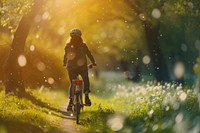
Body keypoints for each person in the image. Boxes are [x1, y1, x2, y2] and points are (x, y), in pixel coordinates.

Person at [63, 28, 96, 111]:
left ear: (70, 37)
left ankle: (70, 103)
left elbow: (65, 56)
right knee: (85, 80)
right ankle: (86, 97)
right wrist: (93, 62)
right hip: (82, 67)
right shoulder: (83, 45)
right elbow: (89, 54)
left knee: (72, 83)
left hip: (71, 68)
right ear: (80, 37)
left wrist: (64, 63)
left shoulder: (67, 46)